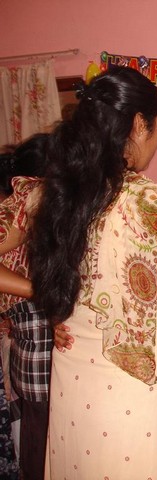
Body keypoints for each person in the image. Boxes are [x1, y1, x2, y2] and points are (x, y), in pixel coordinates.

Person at [0, 66, 157, 479]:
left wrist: (45, 289)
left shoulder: (52, 195)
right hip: (133, 405)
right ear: (139, 124)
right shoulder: (155, 206)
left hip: (73, 399)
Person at [0, 132, 51, 480]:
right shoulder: (32, 198)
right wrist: (41, 291)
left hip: (35, 340)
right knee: (42, 444)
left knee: (44, 440)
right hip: (38, 338)